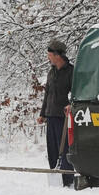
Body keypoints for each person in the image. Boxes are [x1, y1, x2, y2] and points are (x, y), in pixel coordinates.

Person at [38, 39, 75, 187]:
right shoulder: (51, 72)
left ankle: (67, 179)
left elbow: (75, 93)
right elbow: (47, 95)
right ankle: (56, 178)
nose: (48, 57)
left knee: (64, 148)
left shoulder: (71, 72)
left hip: (64, 118)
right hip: (51, 116)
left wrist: (70, 105)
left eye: (49, 54)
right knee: (52, 148)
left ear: (57, 55)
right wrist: (42, 114)